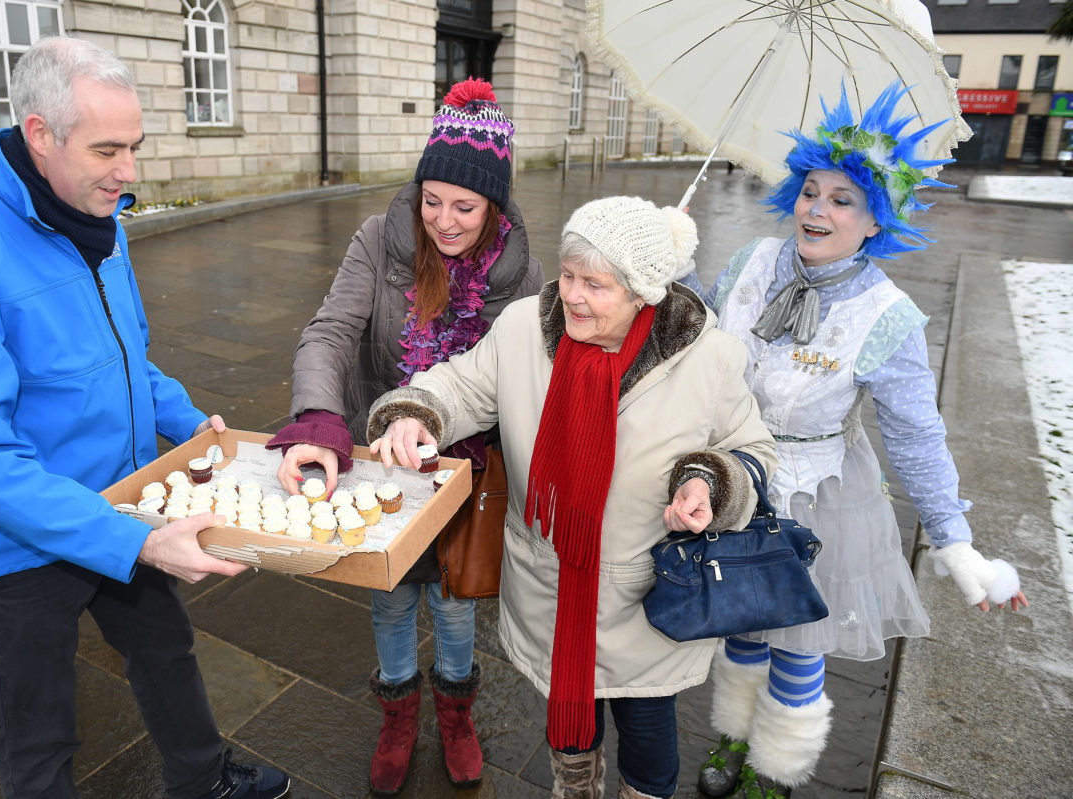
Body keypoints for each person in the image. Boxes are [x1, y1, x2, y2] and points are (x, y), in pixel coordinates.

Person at [0, 37, 290, 799]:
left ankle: (201, 779)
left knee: (166, 650)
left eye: (134, 146)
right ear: (40, 135)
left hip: (121, 496)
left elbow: (127, 358)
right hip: (20, 539)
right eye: (107, 149)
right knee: (38, 727)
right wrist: (134, 539)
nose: (129, 171)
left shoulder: (98, 215)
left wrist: (193, 421)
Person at [364, 195, 777, 799]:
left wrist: (708, 482)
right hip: (551, 584)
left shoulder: (706, 358)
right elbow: (458, 384)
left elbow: (754, 453)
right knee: (569, 724)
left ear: (643, 292)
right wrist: (413, 413)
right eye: (569, 275)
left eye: (597, 284)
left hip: (648, 596)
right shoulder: (523, 331)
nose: (573, 297)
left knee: (647, 728)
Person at [691, 83, 1030, 799]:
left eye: (844, 199)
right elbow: (694, 339)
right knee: (741, 624)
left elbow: (916, 433)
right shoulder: (751, 262)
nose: (817, 209)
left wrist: (953, 537)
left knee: (796, 637)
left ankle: (774, 768)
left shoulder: (888, 316)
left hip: (816, 496)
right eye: (811, 190)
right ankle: (733, 729)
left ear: (878, 220)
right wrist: (670, 264)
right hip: (730, 476)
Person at [265, 78, 543, 794]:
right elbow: (328, 335)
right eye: (432, 200)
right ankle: (397, 710)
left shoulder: (519, 273)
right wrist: (320, 418)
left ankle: (455, 709)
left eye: (466, 206)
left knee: (453, 600)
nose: (445, 221)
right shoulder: (379, 241)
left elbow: (520, 376)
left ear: (495, 205)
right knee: (389, 596)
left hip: (464, 466)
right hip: (381, 455)